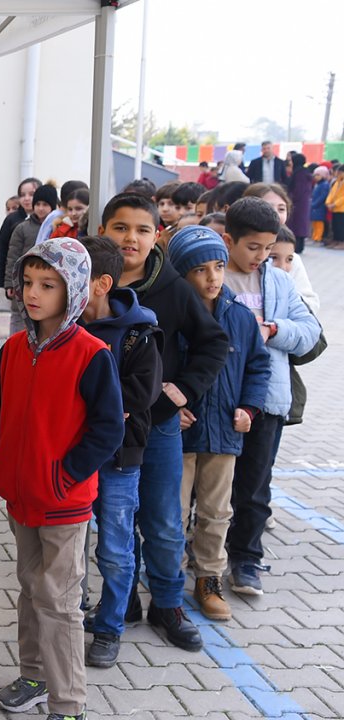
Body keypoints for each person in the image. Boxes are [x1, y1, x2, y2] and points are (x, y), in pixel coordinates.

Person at [0, 238, 123, 720]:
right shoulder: (11, 349)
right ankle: (34, 677)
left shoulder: (91, 353)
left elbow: (109, 428)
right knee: (29, 588)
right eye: (27, 282)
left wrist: (66, 475)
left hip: (64, 503)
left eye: (48, 284)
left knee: (60, 602)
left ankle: (68, 705)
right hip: (21, 496)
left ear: (75, 290)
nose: (33, 293)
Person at [99, 192, 228, 652]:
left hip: (158, 428)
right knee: (115, 522)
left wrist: (183, 390)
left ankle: (168, 605)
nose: (130, 238)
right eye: (120, 228)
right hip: (103, 428)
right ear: (103, 231)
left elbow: (214, 343)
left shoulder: (172, 287)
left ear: (158, 236)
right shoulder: (90, 283)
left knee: (164, 519)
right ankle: (124, 602)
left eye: (142, 230)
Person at [167, 226, 272, 622]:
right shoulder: (170, 316)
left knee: (216, 512)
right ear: (182, 273)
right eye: (200, 270)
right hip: (176, 436)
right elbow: (155, 369)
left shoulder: (241, 318)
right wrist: (168, 408)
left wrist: (249, 407)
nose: (212, 277)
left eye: (218, 267)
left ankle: (208, 578)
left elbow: (258, 367)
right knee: (171, 512)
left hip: (224, 434)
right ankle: (169, 579)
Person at [221, 198, 321, 596]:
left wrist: (274, 329)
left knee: (255, 486)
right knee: (207, 486)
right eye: (253, 248)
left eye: (268, 249)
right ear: (229, 240)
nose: (262, 258)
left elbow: (309, 331)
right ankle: (203, 552)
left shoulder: (279, 281)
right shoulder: (212, 275)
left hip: (267, 400)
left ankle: (245, 559)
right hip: (218, 400)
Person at [76, 236, 162, 668]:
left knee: (114, 547)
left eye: (73, 277)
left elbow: (140, 394)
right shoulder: (63, 328)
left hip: (120, 461)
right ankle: (74, 616)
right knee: (71, 544)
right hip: (74, 457)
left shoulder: (137, 334)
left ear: (100, 283)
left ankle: (109, 626)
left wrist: (95, 407)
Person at [244, 183, 321, 313]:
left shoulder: (291, 258)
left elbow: (310, 302)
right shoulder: (239, 255)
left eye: (281, 209)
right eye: (267, 208)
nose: (276, 215)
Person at [5, 183, 59, 334]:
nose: (41, 208)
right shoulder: (22, 228)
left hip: (44, 281)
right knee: (19, 316)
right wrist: (10, 283)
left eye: (45, 205)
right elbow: (12, 256)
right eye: (38, 204)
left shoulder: (57, 227)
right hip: (23, 279)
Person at [0, 177, 42, 291]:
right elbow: (2, 249)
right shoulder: (12, 219)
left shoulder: (47, 219)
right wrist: (3, 282)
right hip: (17, 275)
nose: (26, 198)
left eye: (31, 194)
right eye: (22, 195)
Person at [285, 152, 313, 252]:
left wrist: (290, 198)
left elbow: (298, 190)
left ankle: (297, 247)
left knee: (297, 225)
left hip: (298, 203)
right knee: (300, 225)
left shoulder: (300, 174)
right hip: (302, 202)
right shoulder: (303, 172)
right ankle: (299, 246)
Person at [310, 165, 332, 243]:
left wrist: (315, 203)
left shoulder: (325, 185)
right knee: (315, 223)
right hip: (315, 206)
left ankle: (318, 238)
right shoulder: (318, 184)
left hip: (320, 207)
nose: (315, 177)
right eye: (315, 175)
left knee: (319, 223)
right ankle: (314, 237)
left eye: (318, 175)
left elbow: (323, 196)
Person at [326, 164, 344, 248]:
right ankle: (336, 240)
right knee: (335, 226)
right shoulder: (337, 181)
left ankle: (341, 242)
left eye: (340, 172)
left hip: (341, 208)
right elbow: (332, 193)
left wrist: (335, 204)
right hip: (335, 208)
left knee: (341, 226)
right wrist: (328, 203)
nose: (338, 174)